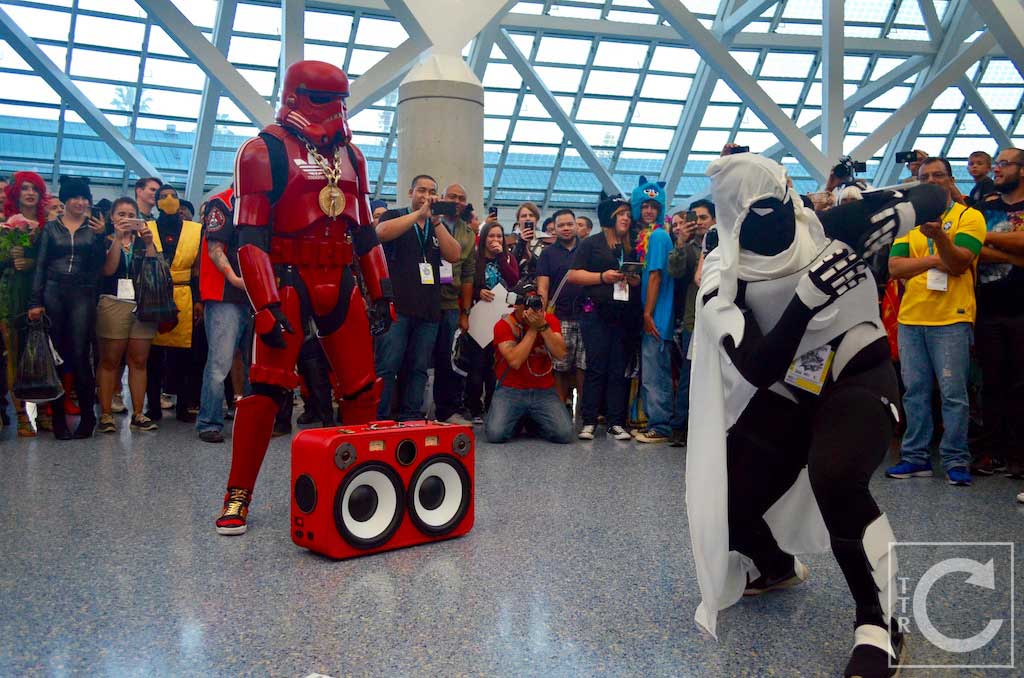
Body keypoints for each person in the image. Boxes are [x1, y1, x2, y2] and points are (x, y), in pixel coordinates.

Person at [686, 151, 939, 678]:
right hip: (786, 392)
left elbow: (933, 196)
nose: (769, 223)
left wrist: (885, 215)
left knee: (838, 478)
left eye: (774, 206)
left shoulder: (833, 226)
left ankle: (879, 623)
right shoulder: (723, 274)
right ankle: (775, 565)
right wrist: (806, 299)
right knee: (721, 498)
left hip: (858, 377)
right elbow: (758, 367)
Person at [216, 60, 395, 535]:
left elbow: (364, 230)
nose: (335, 110)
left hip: (338, 276)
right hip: (287, 277)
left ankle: (360, 484)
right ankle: (238, 494)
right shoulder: (263, 150)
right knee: (266, 390)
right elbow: (249, 237)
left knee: (361, 389)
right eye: (323, 99)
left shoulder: (351, 157)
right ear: (294, 96)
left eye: (341, 100)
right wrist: (265, 305)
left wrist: (382, 291)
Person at [885, 157, 986, 486]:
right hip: (911, 316)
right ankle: (915, 457)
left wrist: (940, 239)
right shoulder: (909, 222)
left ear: (950, 180)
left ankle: (956, 459)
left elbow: (958, 264)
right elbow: (895, 267)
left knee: (953, 393)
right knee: (914, 392)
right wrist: (935, 258)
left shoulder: (969, 217)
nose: (931, 181)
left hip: (952, 318)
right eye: (924, 176)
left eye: (938, 175)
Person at [27, 176, 106, 439]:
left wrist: (100, 238)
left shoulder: (93, 228)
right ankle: (58, 419)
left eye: (84, 198)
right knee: (56, 356)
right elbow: (40, 266)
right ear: (65, 200)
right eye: (75, 197)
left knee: (81, 355)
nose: (80, 202)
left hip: (82, 294)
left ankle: (88, 417)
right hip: (53, 291)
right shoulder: (50, 228)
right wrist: (35, 302)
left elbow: (99, 268)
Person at [375, 175, 460, 420]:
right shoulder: (395, 215)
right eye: (422, 190)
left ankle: (411, 416)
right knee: (388, 365)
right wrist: (418, 214)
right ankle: (379, 418)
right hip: (398, 308)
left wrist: (435, 222)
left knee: (419, 368)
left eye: (432, 192)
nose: (427, 196)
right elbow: (381, 233)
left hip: (428, 311)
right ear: (411, 192)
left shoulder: (437, 226)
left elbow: (454, 254)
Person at [567, 194, 641, 441]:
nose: (626, 219)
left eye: (628, 215)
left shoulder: (632, 246)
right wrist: (602, 277)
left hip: (624, 314)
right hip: (596, 313)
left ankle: (615, 421)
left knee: (618, 368)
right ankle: (589, 420)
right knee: (596, 366)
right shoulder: (592, 244)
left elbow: (639, 280)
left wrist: (633, 279)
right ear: (610, 217)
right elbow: (573, 275)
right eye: (621, 214)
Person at [974, 148, 1024, 481]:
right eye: (997, 164)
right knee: (991, 383)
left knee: (1021, 384)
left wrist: (988, 238)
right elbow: (970, 248)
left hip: (1022, 309)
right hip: (988, 308)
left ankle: (1019, 455)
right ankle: (992, 452)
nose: (997, 169)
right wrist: (1012, 252)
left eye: (1004, 164)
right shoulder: (984, 209)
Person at [94, 197, 160, 433]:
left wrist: (149, 243)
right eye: (121, 214)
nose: (126, 219)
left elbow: (155, 270)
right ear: (112, 217)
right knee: (110, 360)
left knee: (139, 361)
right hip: (113, 303)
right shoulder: (103, 240)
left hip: (142, 305)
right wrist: (117, 238)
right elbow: (108, 269)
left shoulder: (143, 242)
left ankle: (139, 413)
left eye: (131, 215)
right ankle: (106, 414)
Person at [196, 186, 253, 443]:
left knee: (255, 365)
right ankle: (209, 422)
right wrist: (234, 278)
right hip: (224, 295)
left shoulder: (264, 203)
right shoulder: (222, 203)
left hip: (256, 295)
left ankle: (250, 420)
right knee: (219, 364)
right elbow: (214, 249)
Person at [485, 280, 573, 444]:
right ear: (516, 305)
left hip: (544, 390)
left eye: (536, 302)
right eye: (528, 303)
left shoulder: (549, 320)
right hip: (511, 390)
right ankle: (522, 420)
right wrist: (533, 329)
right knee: (495, 434)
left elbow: (561, 354)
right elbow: (515, 361)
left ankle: (530, 420)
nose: (533, 308)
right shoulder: (504, 325)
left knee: (565, 434)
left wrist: (543, 327)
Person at [144, 185, 203, 423]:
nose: (169, 199)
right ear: (157, 203)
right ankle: (153, 406)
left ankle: (183, 406)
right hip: (154, 296)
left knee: (185, 356)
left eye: (174, 196)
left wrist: (198, 299)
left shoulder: (195, 230)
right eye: (163, 196)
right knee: (153, 356)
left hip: (184, 294)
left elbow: (198, 268)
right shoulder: (146, 228)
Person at [0, 172, 47, 436]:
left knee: (41, 354)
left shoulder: (47, 226)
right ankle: (20, 416)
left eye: (35, 189)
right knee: (13, 356)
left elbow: (52, 262)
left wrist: (31, 264)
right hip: (9, 295)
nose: (30, 193)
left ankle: (44, 410)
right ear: (16, 192)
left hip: (39, 295)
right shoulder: (4, 225)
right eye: (25, 188)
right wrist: (9, 258)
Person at [666, 200, 714, 446]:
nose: (700, 223)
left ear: (714, 220)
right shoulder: (690, 247)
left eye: (704, 218)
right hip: (693, 321)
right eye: (696, 218)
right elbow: (675, 272)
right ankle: (679, 426)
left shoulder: (725, 244)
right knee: (689, 375)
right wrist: (681, 243)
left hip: (721, 318)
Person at [631, 177, 674, 444]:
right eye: (645, 206)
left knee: (655, 373)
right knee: (651, 371)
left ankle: (660, 426)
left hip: (657, 316)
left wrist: (647, 314)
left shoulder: (658, 236)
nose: (649, 211)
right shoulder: (648, 236)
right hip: (654, 313)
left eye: (654, 207)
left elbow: (656, 276)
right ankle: (654, 422)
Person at [465, 221, 519, 423]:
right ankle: (474, 408)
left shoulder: (508, 258)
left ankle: (492, 406)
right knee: (477, 365)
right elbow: (467, 283)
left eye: (499, 236)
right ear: (484, 238)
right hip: (479, 318)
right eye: (491, 236)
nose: (495, 240)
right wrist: (478, 292)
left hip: (502, 318)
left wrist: (501, 257)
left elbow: (513, 280)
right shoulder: (474, 258)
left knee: (495, 366)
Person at [433, 183, 477, 424]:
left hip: (451, 303)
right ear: (442, 198)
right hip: (424, 300)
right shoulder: (428, 222)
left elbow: (468, 275)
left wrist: (465, 313)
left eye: (461, 198)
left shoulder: (468, 233)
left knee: (446, 360)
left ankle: (446, 411)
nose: (457, 202)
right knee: (416, 358)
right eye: (452, 197)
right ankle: (408, 412)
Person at [537, 209, 584, 413]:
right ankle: (559, 411)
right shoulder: (547, 253)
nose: (566, 228)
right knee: (560, 366)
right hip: (559, 317)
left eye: (569, 224)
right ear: (554, 229)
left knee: (584, 366)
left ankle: (585, 412)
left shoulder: (587, 248)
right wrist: (542, 314)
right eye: (561, 225)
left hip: (586, 316)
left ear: (576, 225)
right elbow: (543, 286)